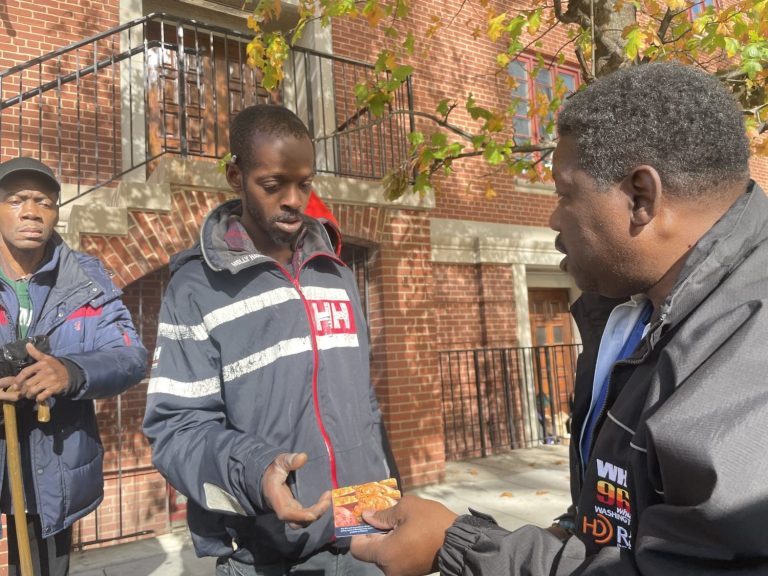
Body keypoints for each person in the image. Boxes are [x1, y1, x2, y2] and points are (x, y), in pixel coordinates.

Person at [350, 61, 768, 575]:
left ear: (641, 197)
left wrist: (457, 545)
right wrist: (571, 529)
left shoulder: (748, 357)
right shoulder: (641, 309)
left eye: (565, 194)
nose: (553, 217)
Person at [143, 104, 395, 575]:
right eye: (273, 184)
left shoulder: (335, 272)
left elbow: (362, 400)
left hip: (364, 530)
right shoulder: (196, 288)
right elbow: (176, 429)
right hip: (264, 550)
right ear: (235, 177)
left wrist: (388, 493)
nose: (294, 200)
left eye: (305, 183)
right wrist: (258, 472)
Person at [0, 157, 148, 575]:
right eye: (17, 200)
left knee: (45, 566)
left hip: (55, 460)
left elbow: (130, 356)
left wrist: (70, 372)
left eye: (44, 202)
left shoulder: (85, 279)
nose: (32, 211)